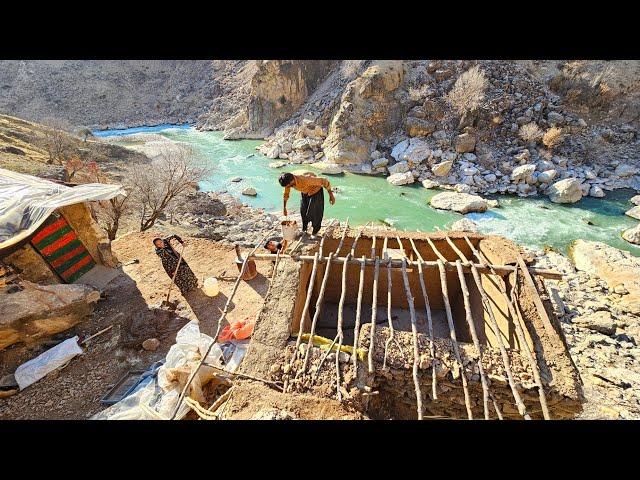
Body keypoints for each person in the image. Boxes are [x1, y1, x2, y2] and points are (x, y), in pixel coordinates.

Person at [278, 171, 335, 238]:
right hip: (305, 191)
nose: (288, 187)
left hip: (316, 191)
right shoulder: (288, 182)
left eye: (288, 185)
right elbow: (286, 194)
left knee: (315, 213)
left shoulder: (306, 179)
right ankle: (304, 229)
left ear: (292, 180)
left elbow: (324, 181)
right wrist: (284, 207)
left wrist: (331, 196)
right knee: (303, 211)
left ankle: (315, 232)